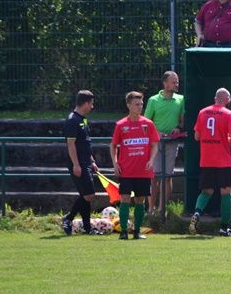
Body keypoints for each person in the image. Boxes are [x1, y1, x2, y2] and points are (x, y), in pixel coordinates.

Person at [190, 88, 231, 236]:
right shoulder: (228, 114)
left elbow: (197, 137)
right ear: (228, 99)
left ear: (215, 98)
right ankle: (224, 228)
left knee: (206, 191)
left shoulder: (202, 112)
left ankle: (197, 213)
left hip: (206, 159)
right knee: (226, 192)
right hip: (223, 160)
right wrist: (226, 140)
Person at [110, 91, 160, 240]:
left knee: (140, 200)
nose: (140, 106)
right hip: (126, 170)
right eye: (137, 104)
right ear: (128, 105)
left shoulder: (148, 124)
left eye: (141, 104)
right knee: (125, 199)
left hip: (143, 171)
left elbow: (154, 144)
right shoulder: (121, 125)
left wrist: (151, 160)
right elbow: (113, 145)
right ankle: (123, 232)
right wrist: (115, 163)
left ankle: (137, 231)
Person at [144, 70, 185, 213]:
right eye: (174, 82)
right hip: (156, 143)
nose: (177, 84)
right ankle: (150, 209)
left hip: (172, 143)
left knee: (167, 176)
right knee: (154, 176)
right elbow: (146, 122)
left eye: (177, 82)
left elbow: (182, 119)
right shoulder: (153, 100)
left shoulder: (181, 99)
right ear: (165, 83)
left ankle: (162, 209)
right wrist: (157, 133)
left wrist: (178, 128)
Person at [61, 90, 101, 235]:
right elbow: (70, 144)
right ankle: (68, 218)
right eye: (91, 103)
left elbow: (85, 142)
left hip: (86, 162)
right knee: (89, 195)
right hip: (78, 163)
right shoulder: (72, 120)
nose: (92, 106)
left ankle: (87, 228)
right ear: (85, 103)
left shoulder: (83, 119)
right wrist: (76, 164)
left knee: (86, 196)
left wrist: (92, 161)